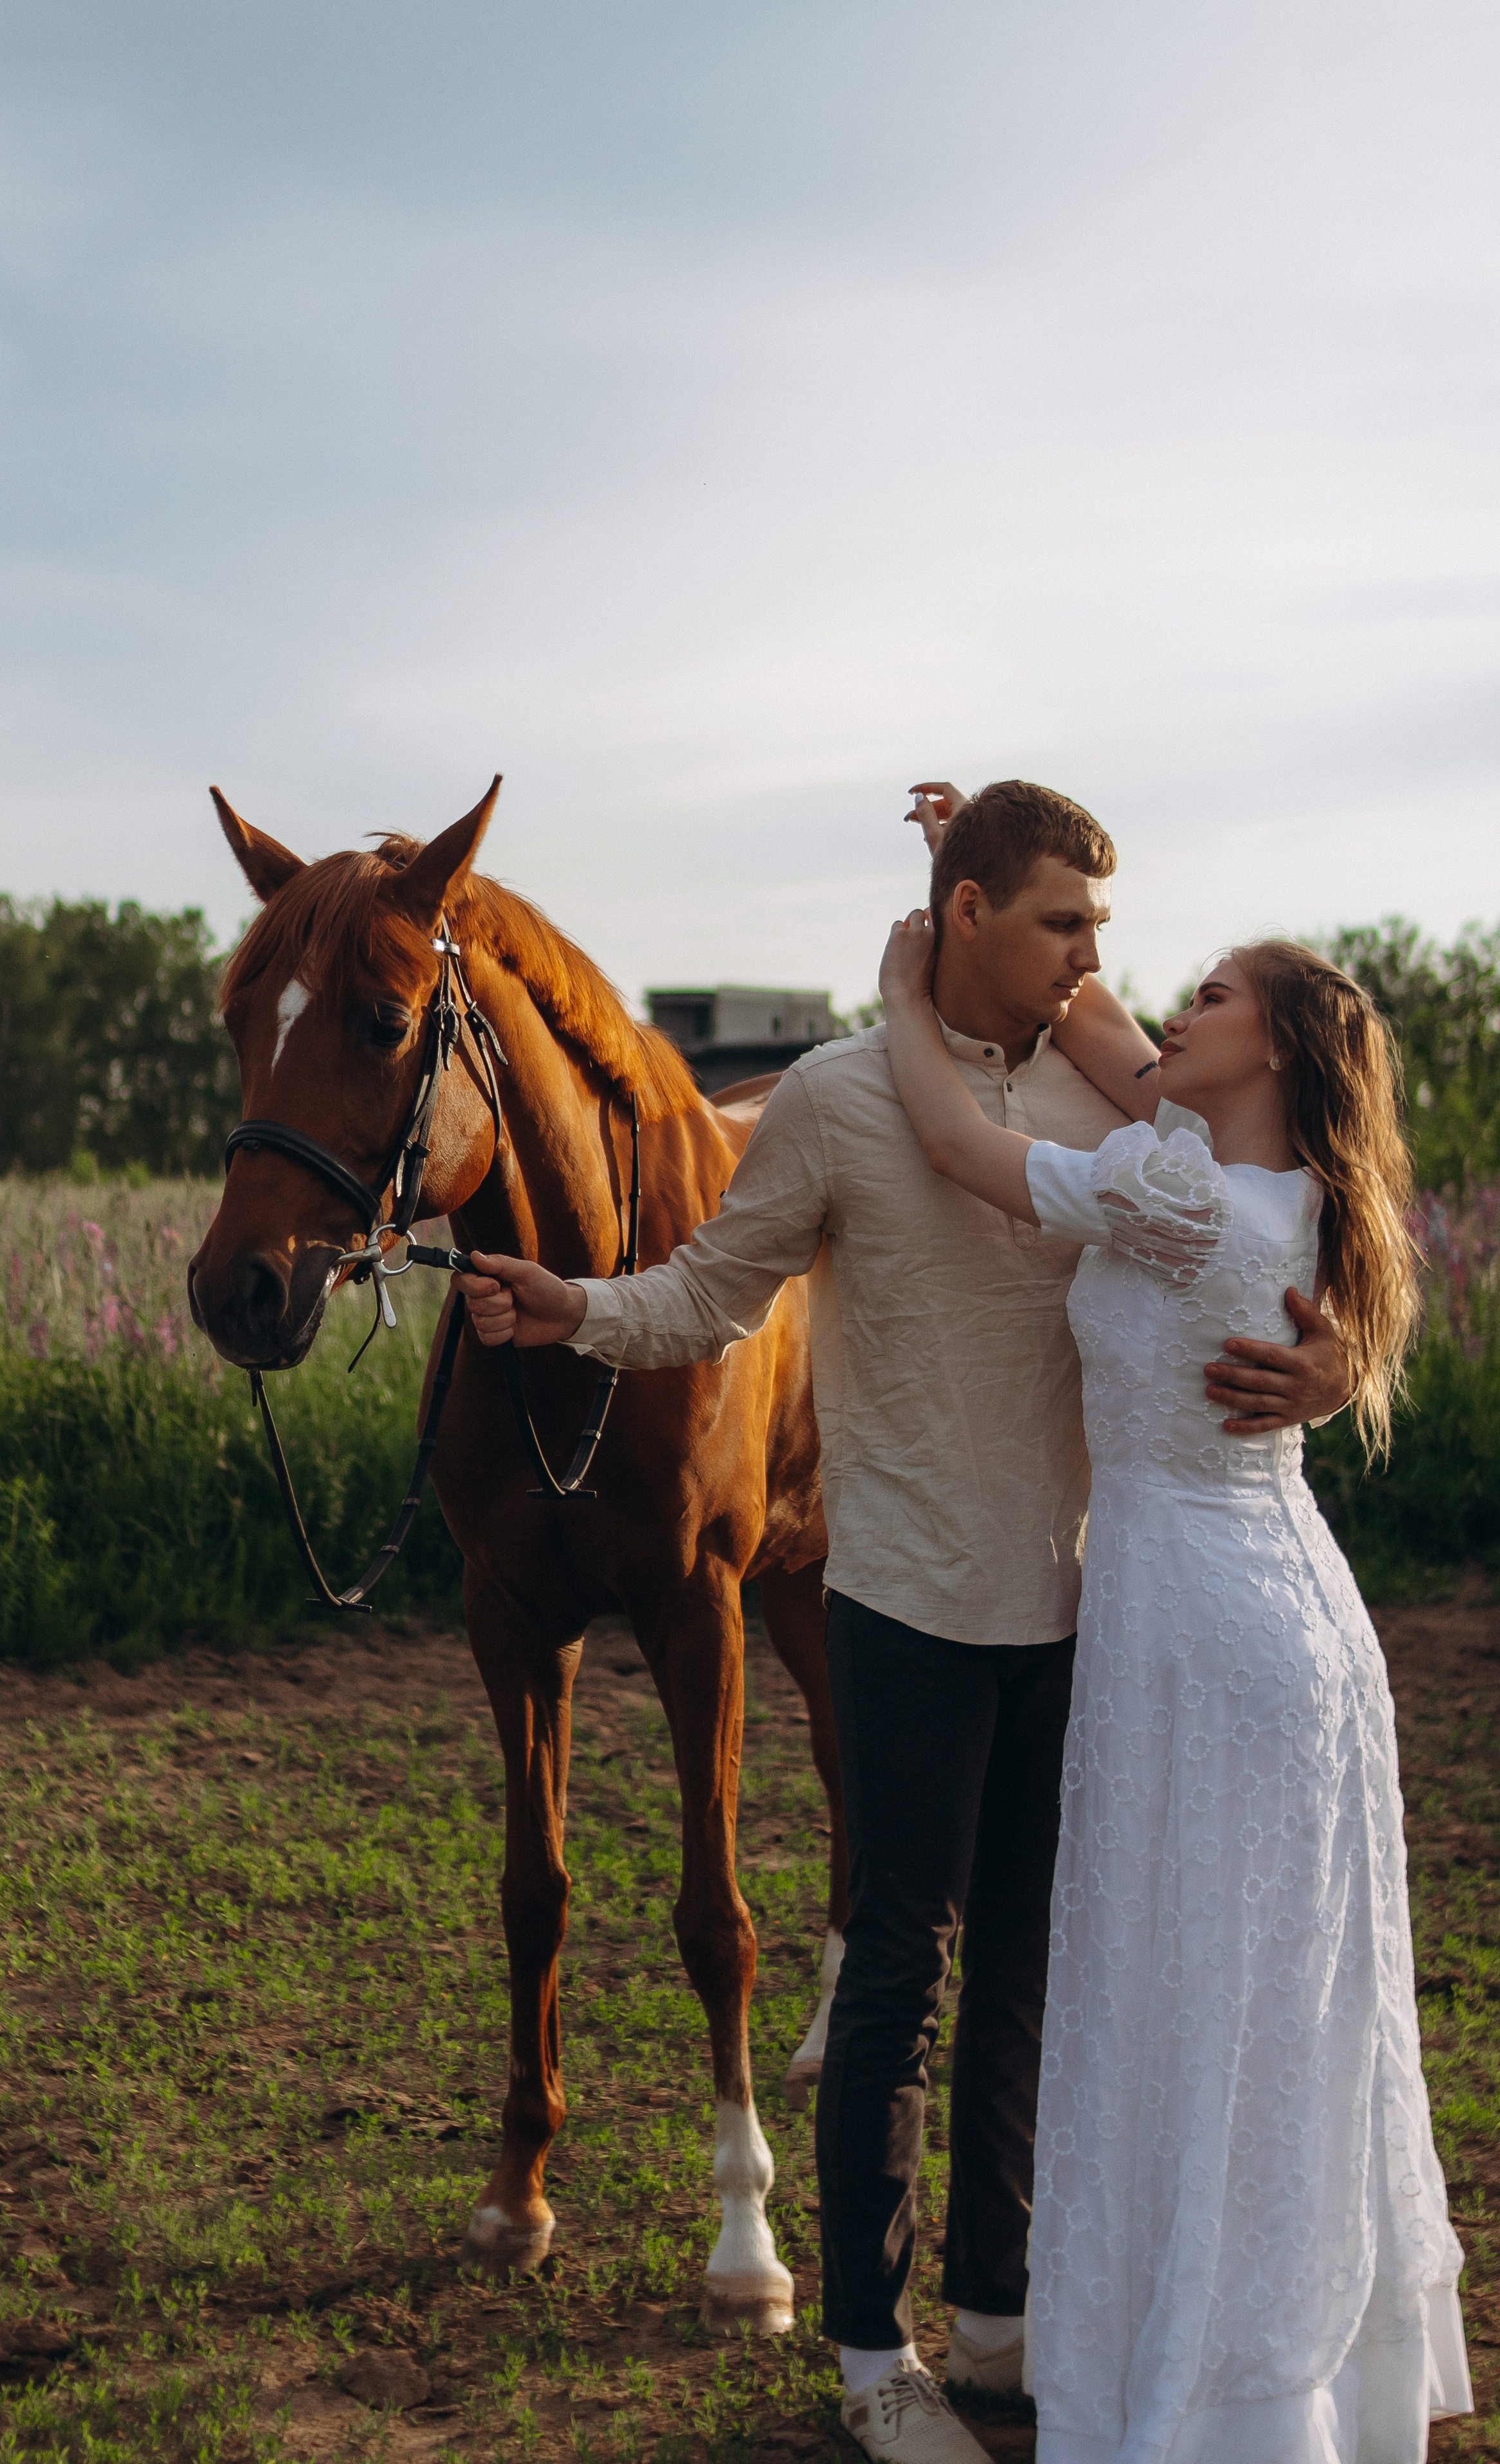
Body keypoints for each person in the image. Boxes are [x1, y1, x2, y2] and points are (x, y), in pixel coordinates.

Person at [453, 780, 1353, 2464]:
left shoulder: (1116, 1096)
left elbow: (1303, 1223)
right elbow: (717, 1288)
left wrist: (1340, 1359)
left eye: (1101, 924)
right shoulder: (843, 1098)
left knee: (1030, 1973)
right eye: (1066, 924)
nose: (1099, 959)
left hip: (1095, 1602)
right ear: (965, 915)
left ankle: (998, 2315)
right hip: (908, 1603)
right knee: (897, 1989)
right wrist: (576, 1305)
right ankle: (874, 2359)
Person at [877, 912, 1471, 2463]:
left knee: (1190, 1997)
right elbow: (1109, 1040)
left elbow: (955, 1141)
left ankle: (1217, 2389)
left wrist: (900, 984)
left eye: (1209, 997)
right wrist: (980, 895)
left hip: (1207, 1643)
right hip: (1288, 1627)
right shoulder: (1287, 1201)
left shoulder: (1177, 1192)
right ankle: (1285, 2379)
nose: (1166, 1015)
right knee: (1270, 2009)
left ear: (1266, 1049)